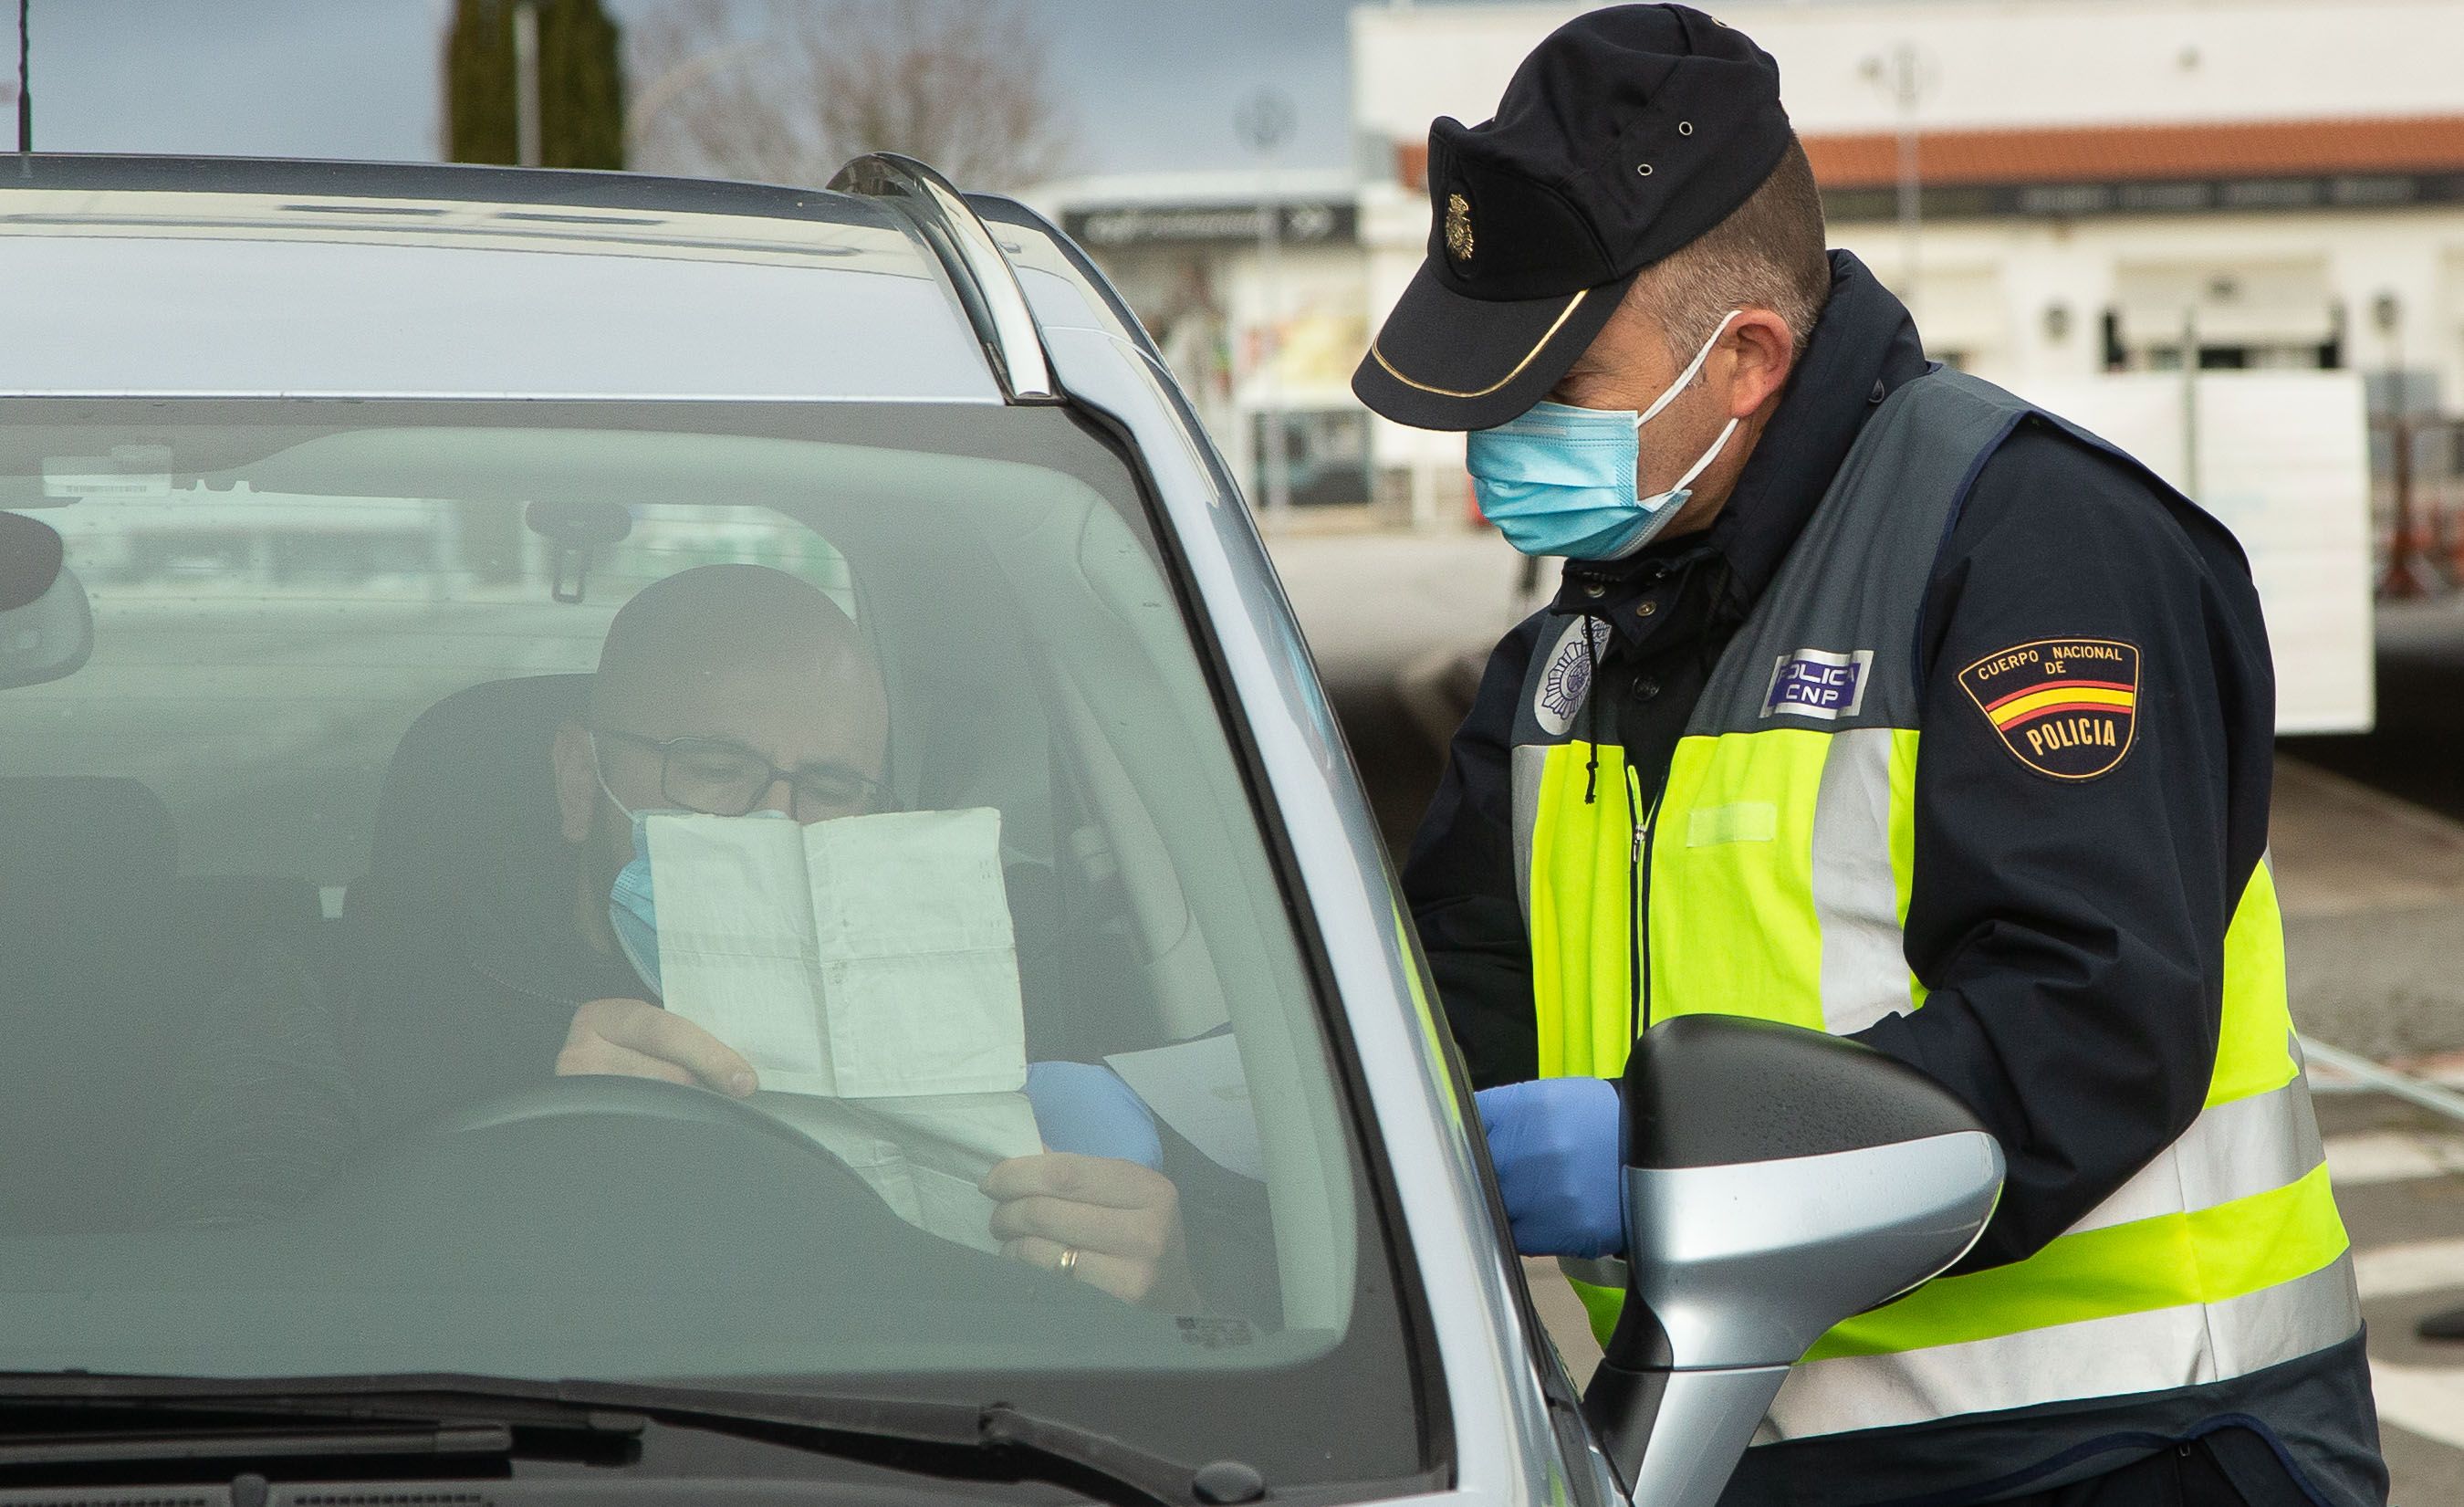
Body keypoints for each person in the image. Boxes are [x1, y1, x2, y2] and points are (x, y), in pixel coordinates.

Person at [1353, 7, 2384, 1505]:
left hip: (2121, 1448)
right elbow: (1440, 1014)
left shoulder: (2033, 555)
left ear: (1747, 359)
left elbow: (2082, 1027)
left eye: (1549, 392)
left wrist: (1663, 1160)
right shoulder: (1571, 666)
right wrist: (1228, 1124)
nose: (1494, 441)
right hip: (1739, 1452)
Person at [351, 563, 1207, 1311]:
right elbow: (283, 1310)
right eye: (716, 769)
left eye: (830, 786)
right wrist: (549, 1165)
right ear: (582, 780)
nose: (775, 826)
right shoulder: (365, 1014)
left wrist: (1163, 1293)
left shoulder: (1013, 998)